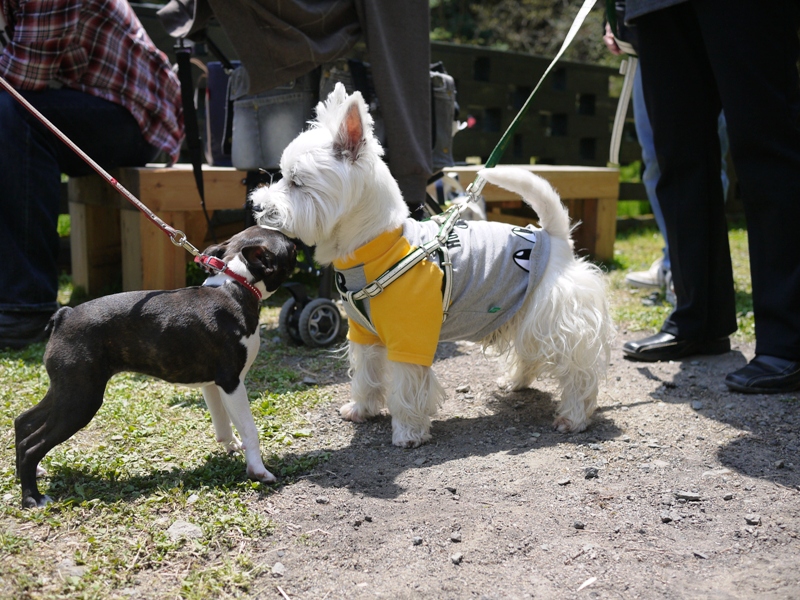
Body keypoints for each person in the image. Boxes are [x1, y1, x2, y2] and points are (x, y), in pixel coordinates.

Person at [619, 0, 800, 393]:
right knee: (678, 157)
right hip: (653, 6)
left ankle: (789, 337)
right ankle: (698, 320)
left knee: (766, 140)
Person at [0, 0, 183, 349]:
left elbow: (18, 81)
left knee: (11, 115)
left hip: (137, 118)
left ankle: (25, 309)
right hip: (72, 102)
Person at [603, 22, 730, 302]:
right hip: (645, 40)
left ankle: (698, 272)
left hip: (702, 35)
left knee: (705, 158)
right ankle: (675, 262)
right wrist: (614, 18)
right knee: (655, 160)